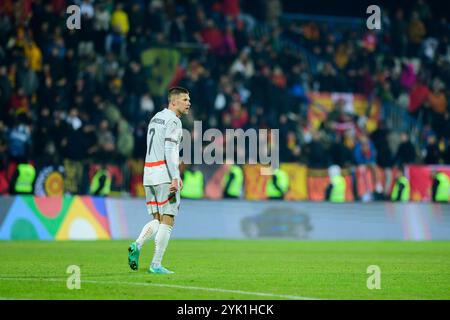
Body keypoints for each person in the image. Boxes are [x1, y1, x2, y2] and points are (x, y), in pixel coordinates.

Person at [128, 87, 190, 274]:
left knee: (157, 219)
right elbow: (170, 150)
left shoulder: (156, 117)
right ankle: (156, 264)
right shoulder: (174, 121)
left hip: (149, 174)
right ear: (174, 102)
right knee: (168, 218)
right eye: (185, 100)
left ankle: (137, 245)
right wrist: (175, 176)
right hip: (164, 174)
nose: (189, 103)